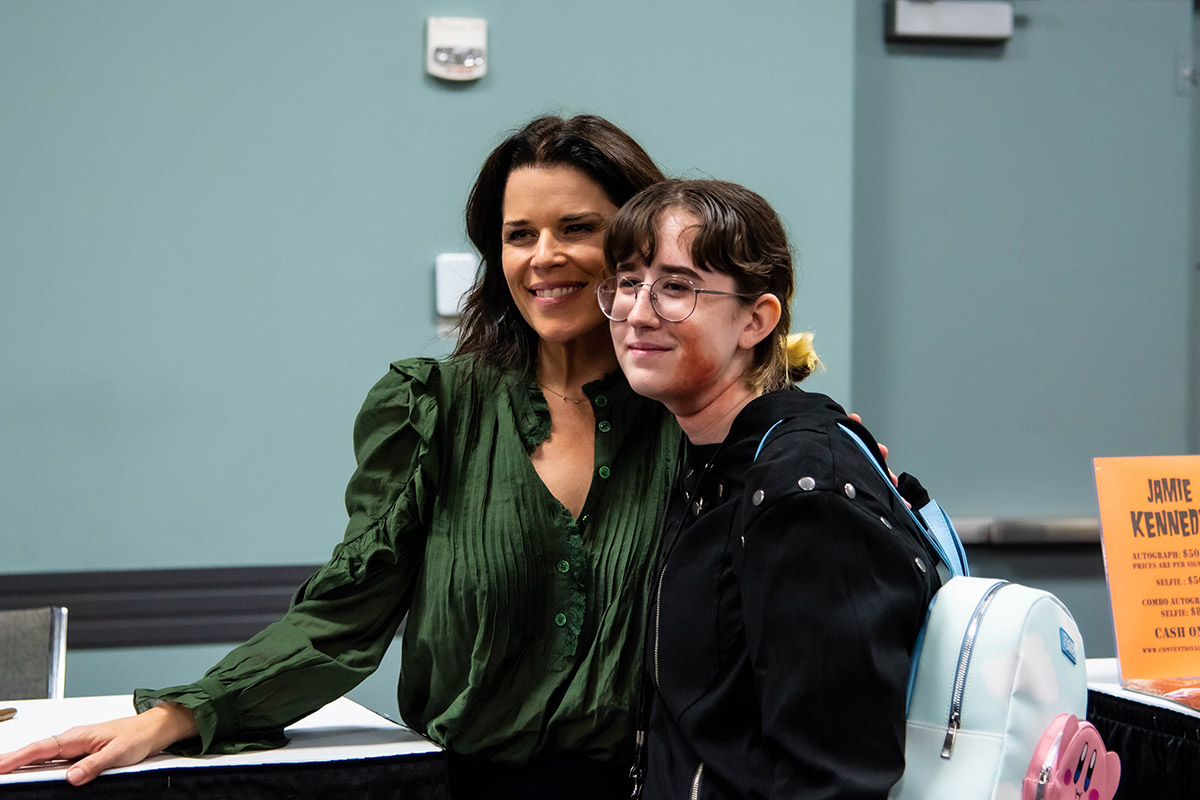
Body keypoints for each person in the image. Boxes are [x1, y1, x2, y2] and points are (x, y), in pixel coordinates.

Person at [0, 115, 682, 799]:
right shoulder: (439, 408)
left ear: (635, 244)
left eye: (577, 228)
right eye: (519, 235)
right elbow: (345, 614)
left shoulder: (693, 419)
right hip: (469, 787)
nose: (543, 256)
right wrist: (181, 715)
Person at [597, 179, 942, 799]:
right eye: (627, 281)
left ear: (756, 319)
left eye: (675, 287)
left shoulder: (802, 487)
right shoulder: (705, 457)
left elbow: (834, 778)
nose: (638, 312)